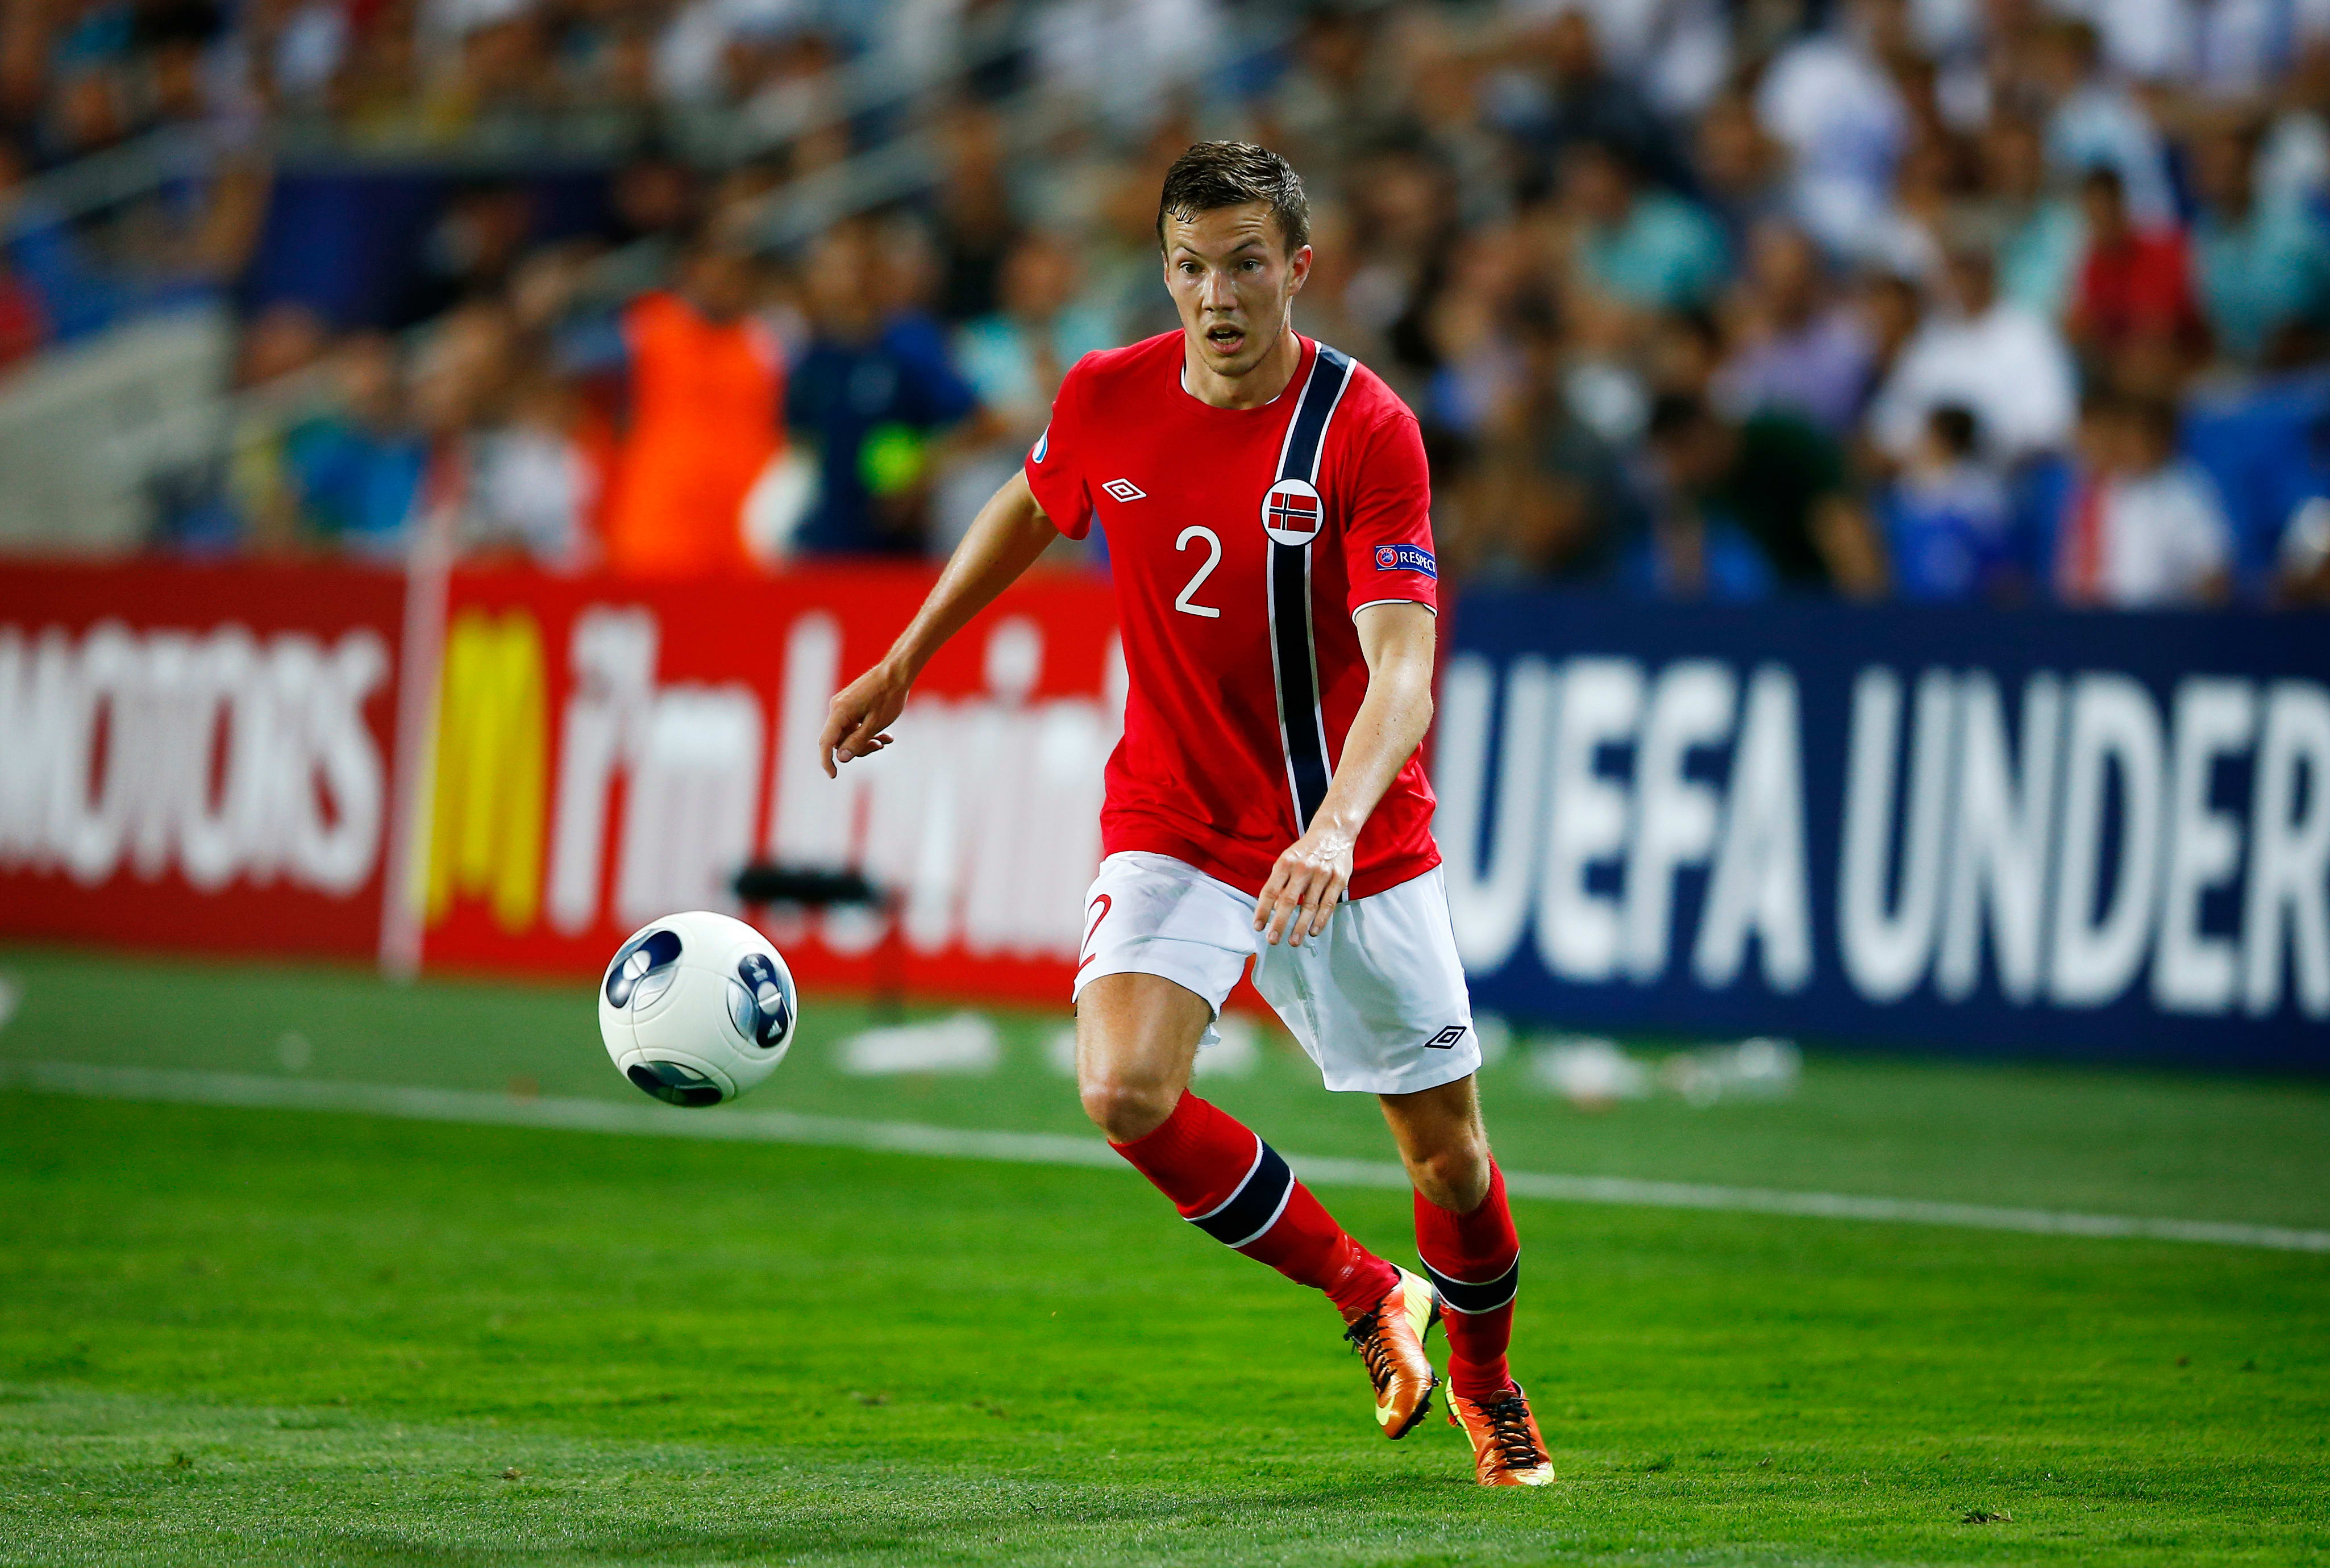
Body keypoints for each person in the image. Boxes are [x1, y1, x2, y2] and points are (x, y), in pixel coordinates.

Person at [815, 141, 1553, 1488]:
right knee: (1123, 1089)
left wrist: (1334, 827)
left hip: (1347, 836)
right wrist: (908, 655)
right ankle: (1364, 1292)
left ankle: (1488, 1379)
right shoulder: (1107, 394)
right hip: (1176, 813)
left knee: (1448, 1163)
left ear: (1298, 269)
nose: (1219, 295)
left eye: (1246, 265)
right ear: (1165, 273)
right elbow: (1031, 504)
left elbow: (1403, 668)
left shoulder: (1363, 428)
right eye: (1193, 267)